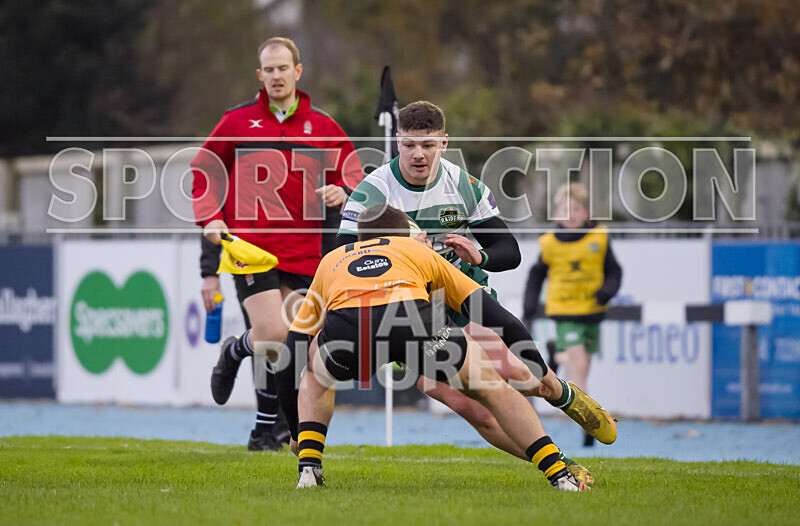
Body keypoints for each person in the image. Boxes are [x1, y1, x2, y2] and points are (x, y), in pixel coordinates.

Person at [336, 102, 611, 470]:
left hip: (459, 295)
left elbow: (508, 251)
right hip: (406, 311)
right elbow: (341, 256)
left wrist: (478, 257)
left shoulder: (464, 187)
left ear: (445, 143)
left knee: (517, 373)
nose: (418, 155)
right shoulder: (372, 191)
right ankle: (559, 464)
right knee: (476, 411)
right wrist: (398, 249)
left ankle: (562, 394)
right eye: (409, 145)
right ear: (397, 142)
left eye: (428, 145)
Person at [290, 205, 611, 490]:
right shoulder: (417, 246)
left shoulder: (334, 258)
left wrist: (298, 430)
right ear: (407, 234)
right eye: (420, 236)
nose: (427, 240)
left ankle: (309, 467)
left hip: (356, 330)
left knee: (316, 369)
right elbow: (502, 320)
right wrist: (542, 369)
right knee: (489, 392)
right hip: (418, 322)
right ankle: (560, 470)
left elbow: (294, 342)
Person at [191, 37, 361, 450]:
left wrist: (344, 190)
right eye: (268, 69)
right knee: (270, 332)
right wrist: (210, 215)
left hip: (304, 253)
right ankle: (235, 352)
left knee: (290, 345)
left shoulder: (322, 125)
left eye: (283, 68)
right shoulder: (237, 121)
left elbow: (357, 173)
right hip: (252, 249)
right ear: (259, 75)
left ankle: (269, 430)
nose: (276, 76)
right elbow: (203, 172)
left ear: (298, 71)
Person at [523, 182, 623, 447]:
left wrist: (606, 292)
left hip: (592, 312)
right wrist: (529, 307)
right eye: (565, 209)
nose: (570, 214)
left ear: (586, 213)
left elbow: (615, 272)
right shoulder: (549, 243)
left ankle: (557, 353)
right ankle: (589, 424)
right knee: (579, 370)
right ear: (556, 213)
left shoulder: (599, 238)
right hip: (564, 312)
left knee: (583, 369)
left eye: (576, 209)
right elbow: (536, 276)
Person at [199, 236, 291, 450]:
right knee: (268, 336)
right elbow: (212, 216)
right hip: (251, 253)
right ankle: (269, 428)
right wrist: (210, 272)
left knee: (292, 336)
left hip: (299, 255)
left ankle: (276, 427)